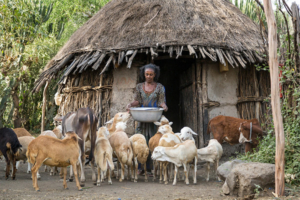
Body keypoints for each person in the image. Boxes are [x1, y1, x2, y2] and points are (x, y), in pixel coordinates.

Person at [126, 63, 168, 176]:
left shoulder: (159, 87)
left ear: (155, 75)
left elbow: (160, 101)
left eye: (151, 74)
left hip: (154, 120)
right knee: (140, 142)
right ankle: (140, 168)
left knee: (153, 143)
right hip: (141, 119)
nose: (148, 76)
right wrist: (130, 104)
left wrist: (164, 106)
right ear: (143, 74)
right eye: (146, 74)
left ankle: (151, 169)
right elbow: (138, 101)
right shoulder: (139, 87)